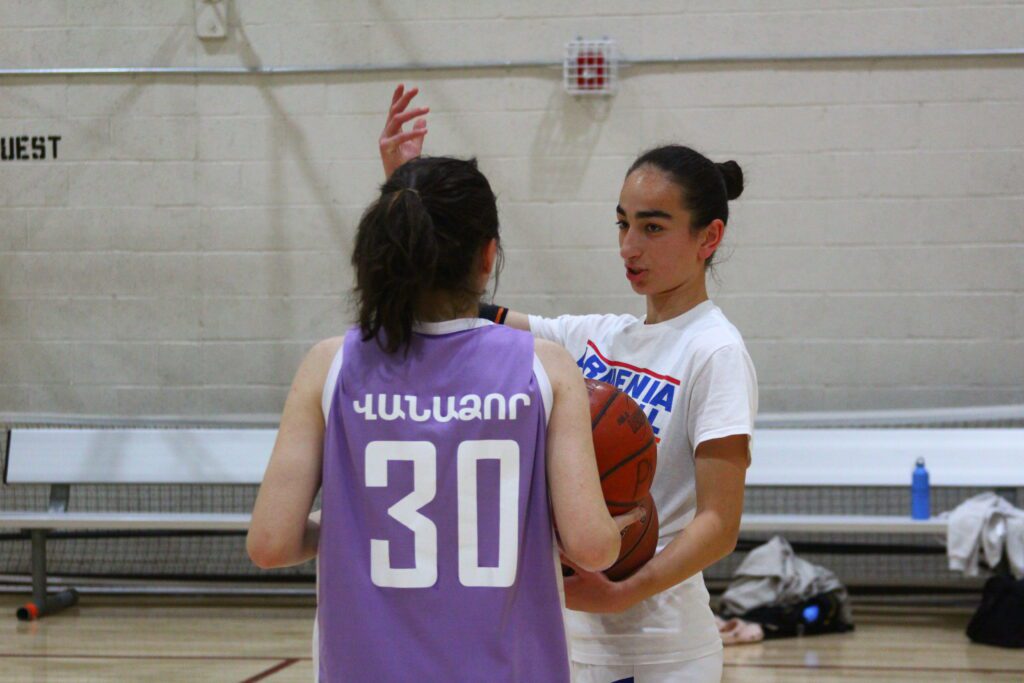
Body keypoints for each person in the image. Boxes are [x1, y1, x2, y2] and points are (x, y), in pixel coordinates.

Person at [380, 85, 758, 682]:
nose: (629, 247)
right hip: (564, 633)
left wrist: (624, 591)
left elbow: (719, 523)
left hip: (656, 645)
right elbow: (461, 305)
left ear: (707, 238)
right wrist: (410, 199)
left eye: (653, 228)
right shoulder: (595, 336)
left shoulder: (716, 350)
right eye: (623, 223)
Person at [247, 155, 636, 682]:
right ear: (488, 255)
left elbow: (271, 544)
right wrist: (624, 522)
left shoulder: (329, 364)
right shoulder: (544, 365)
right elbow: (590, 547)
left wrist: (364, 523)